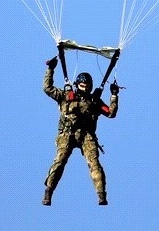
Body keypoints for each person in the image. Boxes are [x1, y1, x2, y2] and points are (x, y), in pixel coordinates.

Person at [42, 56, 119, 206]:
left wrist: (114, 95)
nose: (85, 86)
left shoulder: (94, 101)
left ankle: (101, 195)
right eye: (82, 84)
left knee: (95, 164)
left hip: (86, 136)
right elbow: (47, 88)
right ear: (77, 84)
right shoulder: (65, 96)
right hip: (67, 134)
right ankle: (49, 191)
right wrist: (50, 69)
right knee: (60, 161)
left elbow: (110, 112)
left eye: (87, 85)